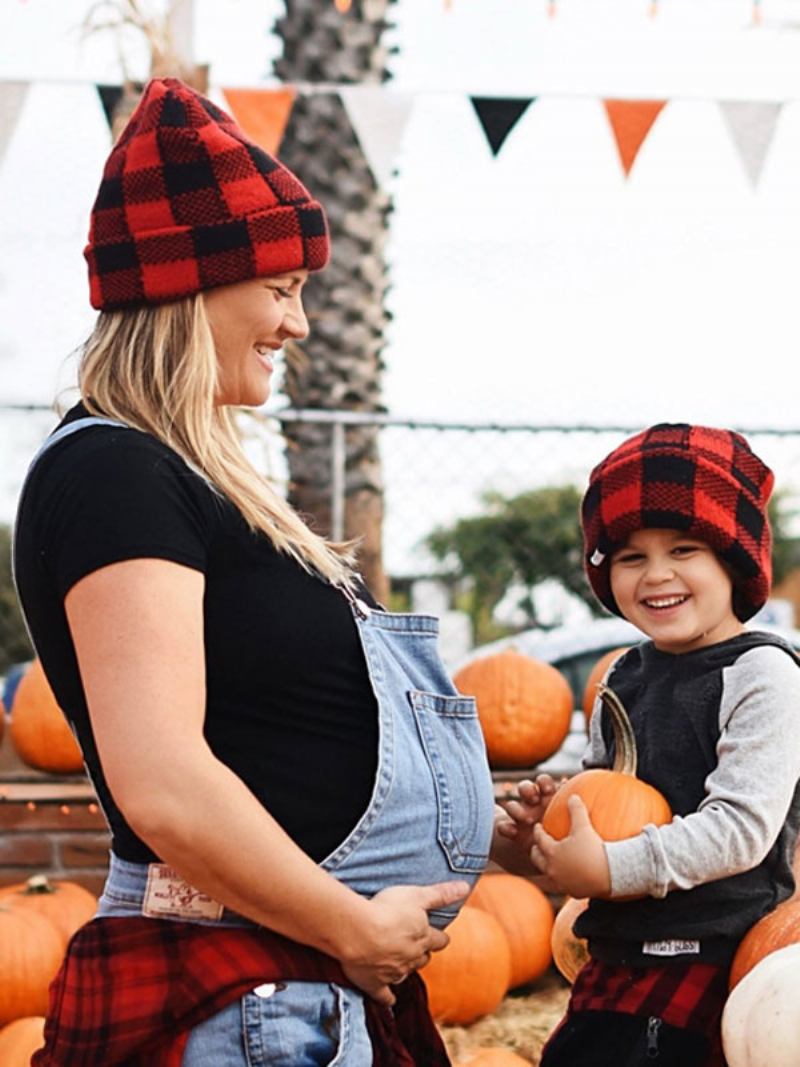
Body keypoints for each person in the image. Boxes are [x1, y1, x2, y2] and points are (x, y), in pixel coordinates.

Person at [13, 77, 506, 1066]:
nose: (298, 325)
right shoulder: (115, 471)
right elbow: (162, 778)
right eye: (280, 290)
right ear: (190, 284)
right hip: (245, 996)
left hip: (285, 988)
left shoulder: (185, 476)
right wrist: (348, 923)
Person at [502, 423, 800, 1067]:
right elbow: (600, 802)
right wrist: (537, 839)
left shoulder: (764, 674)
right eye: (631, 557)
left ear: (735, 559)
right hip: (617, 957)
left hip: (713, 956)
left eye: (684, 548)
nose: (655, 575)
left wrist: (609, 869)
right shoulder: (622, 676)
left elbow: (740, 828)